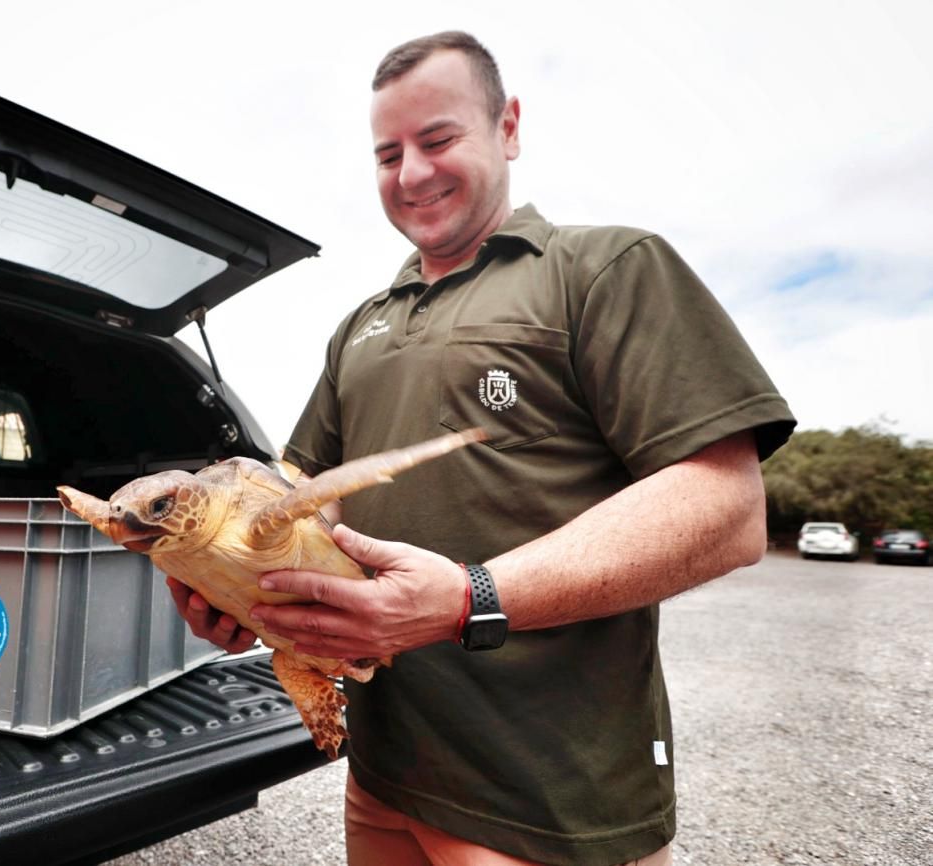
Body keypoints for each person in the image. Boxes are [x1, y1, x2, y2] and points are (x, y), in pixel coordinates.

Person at [168, 30, 795, 866]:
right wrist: (241, 585)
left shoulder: (602, 268)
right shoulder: (361, 325)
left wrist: (472, 598)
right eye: (388, 153)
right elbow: (307, 491)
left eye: (438, 139)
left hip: (548, 799)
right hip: (384, 774)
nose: (411, 173)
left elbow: (727, 508)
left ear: (508, 127)